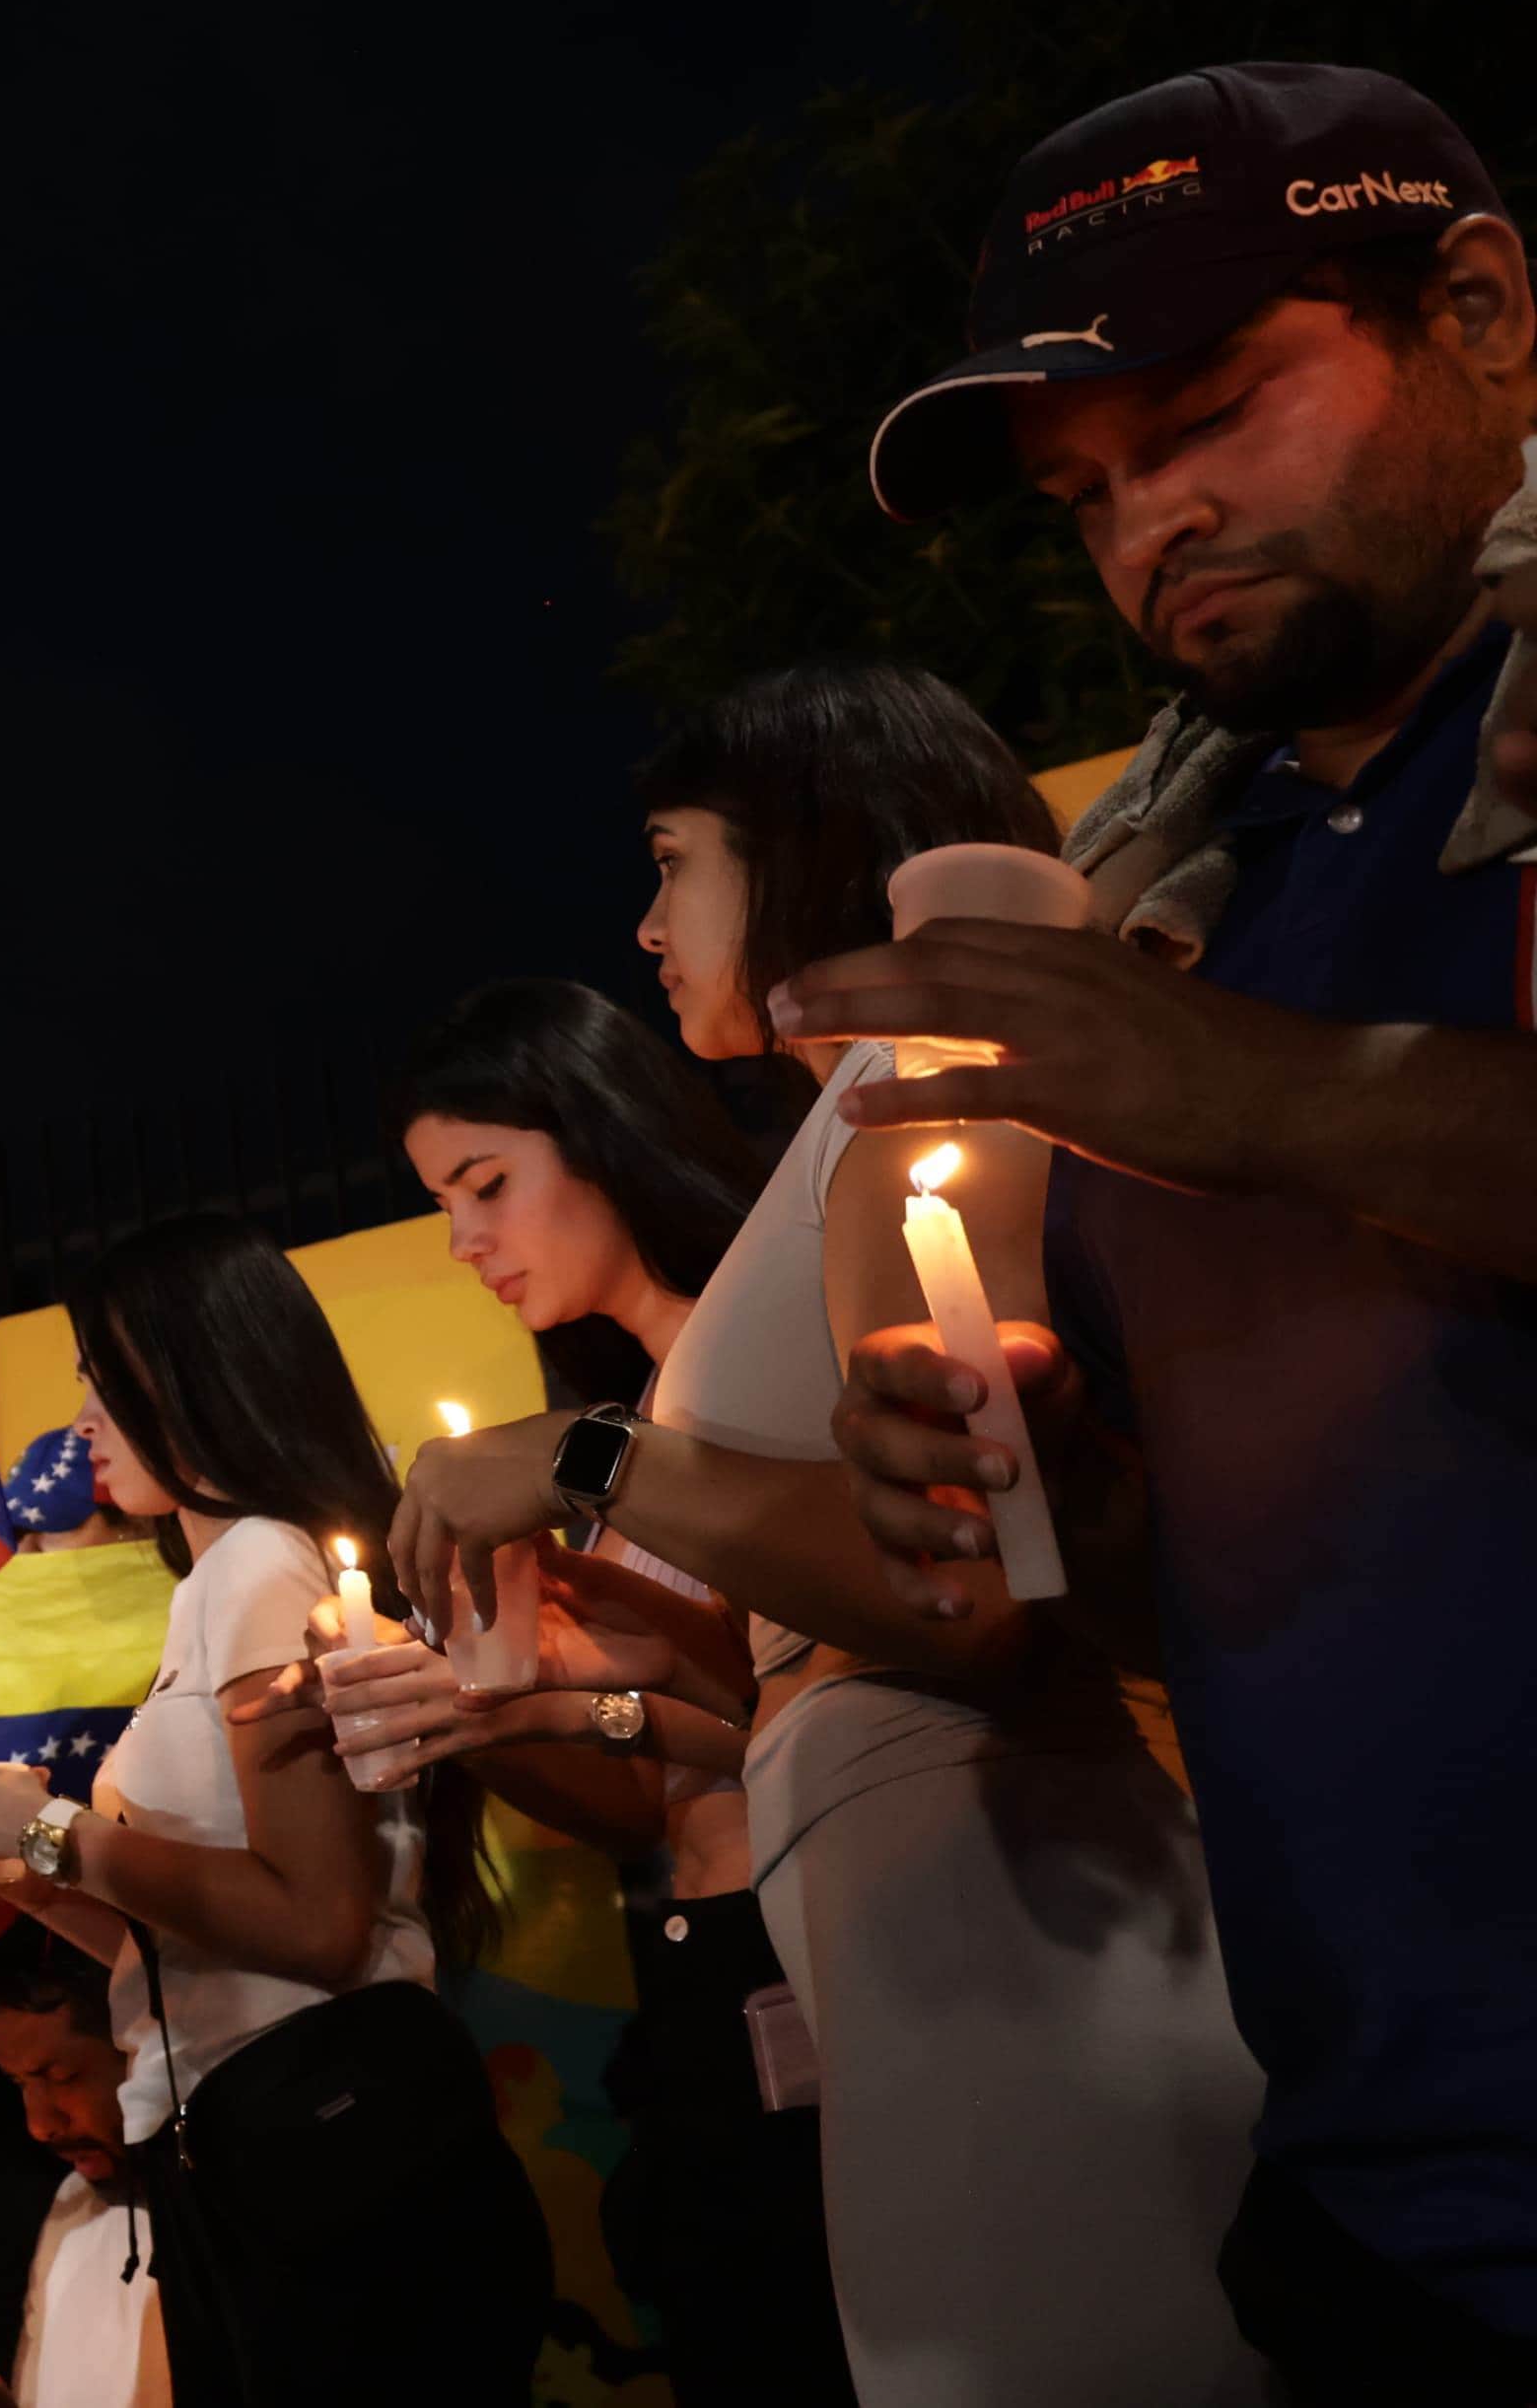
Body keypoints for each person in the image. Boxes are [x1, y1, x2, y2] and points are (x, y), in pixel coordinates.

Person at [807, 61, 1537, 2396]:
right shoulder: (1178, 899)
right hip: (1377, 2200)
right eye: (1087, 489)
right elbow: (1258, 1573)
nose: (1154, 524)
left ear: (1482, 312)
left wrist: (1264, 1100)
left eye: (1216, 408)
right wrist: (1047, 1493)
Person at [392, 663, 1270, 2405]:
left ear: (798, 846)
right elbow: (860, 1619)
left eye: (673, 861)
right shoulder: (849, 1123)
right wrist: (659, 1655)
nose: (646, 925)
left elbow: (965, 1587)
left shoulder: (908, 1098)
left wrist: (587, 1459)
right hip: (938, 1927)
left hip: (1012, 1923)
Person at [0, 1215, 547, 2404]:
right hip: (243, 2153)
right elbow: (190, 1949)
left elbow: (313, 1922)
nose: (83, 1423)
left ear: (198, 1377)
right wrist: (27, 1871)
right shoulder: (214, 1585)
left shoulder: (258, 1563)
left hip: (325, 2160)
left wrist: (54, 1831)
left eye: (107, 1385)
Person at [335, 979, 854, 2405]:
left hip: (822, 1948)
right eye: (444, 1201)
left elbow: (837, 1680)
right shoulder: (634, 1409)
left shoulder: (742, 1355)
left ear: (604, 1126)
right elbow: (673, 1761)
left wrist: (578, 1495)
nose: (462, 1242)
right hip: (704, 1961)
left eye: (487, 1183)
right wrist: (503, 1708)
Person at [0, 1919, 167, 2408]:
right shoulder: (72, 2208)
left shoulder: (233, 2227)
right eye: (19, 2084)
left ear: (143, 2051)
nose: (39, 2125)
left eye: (62, 2075)